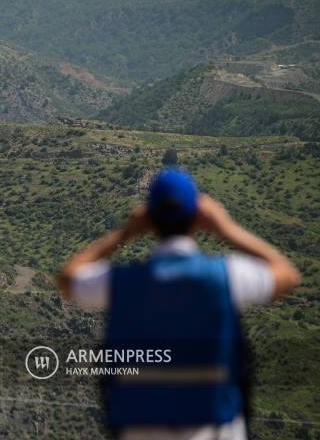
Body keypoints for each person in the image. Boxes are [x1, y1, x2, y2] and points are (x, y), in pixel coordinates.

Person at [58, 169, 300, 440]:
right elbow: (287, 276)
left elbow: (68, 278)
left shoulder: (121, 283)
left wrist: (125, 232)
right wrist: (226, 228)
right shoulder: (225, 277)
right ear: (197, 217)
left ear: (149, 220)